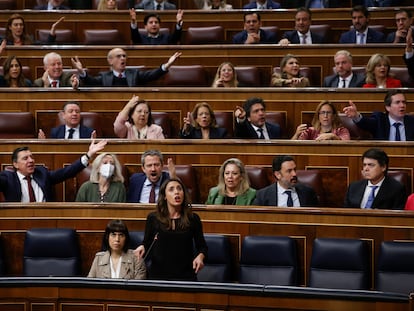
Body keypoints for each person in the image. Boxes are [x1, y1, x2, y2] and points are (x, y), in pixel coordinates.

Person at [134, 178, 207, 281]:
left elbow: (202, 247)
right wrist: (142, 247)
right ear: (164, 196)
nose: (176, 192)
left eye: (179, 189)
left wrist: (200, 256)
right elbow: (147, 243)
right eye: (171, 189)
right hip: (158, 277)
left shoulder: (193, 219)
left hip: (185, 276)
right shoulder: (153, 218)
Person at [0, 139, 107, 202]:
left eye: (31, 157)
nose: (31, 161)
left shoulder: (41, 173)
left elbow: (67, 172)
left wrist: (88, 155)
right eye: (25, 158)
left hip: (46, 219)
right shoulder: (8, 178)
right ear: (15, 164)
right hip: (18, 221)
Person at [72, 48, 181, 87]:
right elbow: (91, 82)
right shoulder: (104, 76)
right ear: (110, 61)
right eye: (118, 56)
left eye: (124, 56)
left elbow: (152, 75)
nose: (123, 58)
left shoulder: (134, 74)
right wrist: (81, 72)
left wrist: (167, 65)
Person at [343, 90, 414, 141]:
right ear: (388, 107)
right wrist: (356, 116)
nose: (402, 105)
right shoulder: (380, 119)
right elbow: (365, 123)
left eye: (404, 102)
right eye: (397, 102)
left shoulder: (411, 121)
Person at [253, 155, 318, 207]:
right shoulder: (263, 196)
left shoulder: (308, 193)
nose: (294, 174)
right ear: (278, 175)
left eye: (294, 170)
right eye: (289, 171)